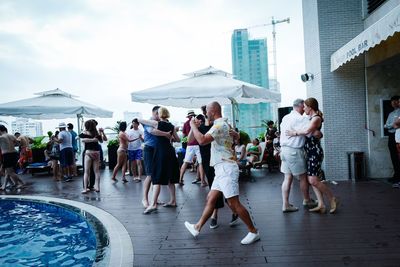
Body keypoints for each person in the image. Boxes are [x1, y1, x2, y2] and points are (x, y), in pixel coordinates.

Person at [184, 101, 260, 245]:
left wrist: (193, 125)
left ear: (212, 111)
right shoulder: (222, 124)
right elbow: (234, 136)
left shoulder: (219, 125)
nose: (205, 114)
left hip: (226, 168)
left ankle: (253, 231)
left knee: (233, 203)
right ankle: (197, 227)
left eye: (207, 111)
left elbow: (201, 140)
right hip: (221, 168)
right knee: (211, 198)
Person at [286, 97, 339, 214]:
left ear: (310, 107)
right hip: (309, 152)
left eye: (304, 106)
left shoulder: (316, 118)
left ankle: (332, 198)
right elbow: (311, 131)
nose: (303, 108)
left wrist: (293, 133)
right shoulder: (309, 118)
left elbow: (306, 131)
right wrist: (315, 132)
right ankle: (321, 204)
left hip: (315, 152)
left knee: (313, 180)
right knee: (314, 180)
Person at [279, 99, 319, 213]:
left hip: (284, 151)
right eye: (304, 106)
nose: (305, 108)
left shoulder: (286, 117)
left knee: (287, 178)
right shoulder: (301, 118)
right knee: (303, 177)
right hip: (294, 151)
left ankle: (285, 204)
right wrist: (318, 132)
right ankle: (307, 200)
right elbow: (313, 132)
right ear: (301, 107)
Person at [139, 107, 180, 214]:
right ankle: (173, 201)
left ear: (159, 114)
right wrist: (169, 135)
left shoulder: (156, 124)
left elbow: (141, 121)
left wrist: (161, 132)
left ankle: (153, 204)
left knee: (156, 177)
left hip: (161, 152)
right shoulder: (172, 126)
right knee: (170, 177)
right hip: (170, 151)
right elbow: (178, 140)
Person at [179, 110, 207, 187]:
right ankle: (203, 181)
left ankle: (180, 179)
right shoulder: (198, 122)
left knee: (186, 162)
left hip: (189, 144)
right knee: (201, 163)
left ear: (188, 117)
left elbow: (184, 136)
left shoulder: (185, 124)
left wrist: (184, 143)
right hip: (198, 144)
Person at [79, 120, 102, 193]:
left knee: (86, 171)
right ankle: (97, 187)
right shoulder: (96, 133)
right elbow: (101, 141)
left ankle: (85, 188)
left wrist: (91, 140)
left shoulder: (85, 132)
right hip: (96, 153)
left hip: (88, 153)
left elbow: (82, 140)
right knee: (97, 171)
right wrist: (95, 139)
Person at [0, 125, 25, 190]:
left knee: (10, 172)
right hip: (14, 154)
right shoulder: (12, 136)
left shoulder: (1, 137)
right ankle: (14, 183)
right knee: (9, 171)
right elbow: (18, 144)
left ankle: (22, 183)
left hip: (7, 155)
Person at [384, 95, 400, 183]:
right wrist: (392, 125)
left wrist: (391, 125)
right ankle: (396, 175)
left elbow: (397, 124)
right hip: (391, 137)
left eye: (396, 101)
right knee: (393, 156)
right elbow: (386, 125)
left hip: (398, 135)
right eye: (392, 101)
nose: (394, 103)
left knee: (398, 156)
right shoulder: (391, 113)